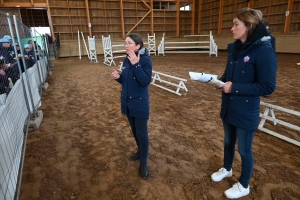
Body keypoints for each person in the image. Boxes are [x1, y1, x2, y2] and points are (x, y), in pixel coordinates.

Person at [211, 8, 277, 199]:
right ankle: (227, 168)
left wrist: (235, 88)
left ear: (248, 26)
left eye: (236, 24)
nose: (232, 28)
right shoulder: (234, 48)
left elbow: (267, 87)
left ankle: (244, 184)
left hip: (246, 110)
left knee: (245, 150)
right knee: (228, 141)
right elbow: (229, 76)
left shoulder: (264, 51)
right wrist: (218, 81)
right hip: (229, 106)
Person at [111, 33, 152, 179]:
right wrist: (119, 78)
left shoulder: (145, 59)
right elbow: (127, 81)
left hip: (140, 102)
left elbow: (145, 81)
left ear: (138, 46)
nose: (126, 45)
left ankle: (144, 162)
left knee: (142, 133)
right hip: (128, 101)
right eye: (125, 43)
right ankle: (141, 151)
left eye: (129, 43)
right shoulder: (127, 59)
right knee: (135, 131)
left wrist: (136, 64)